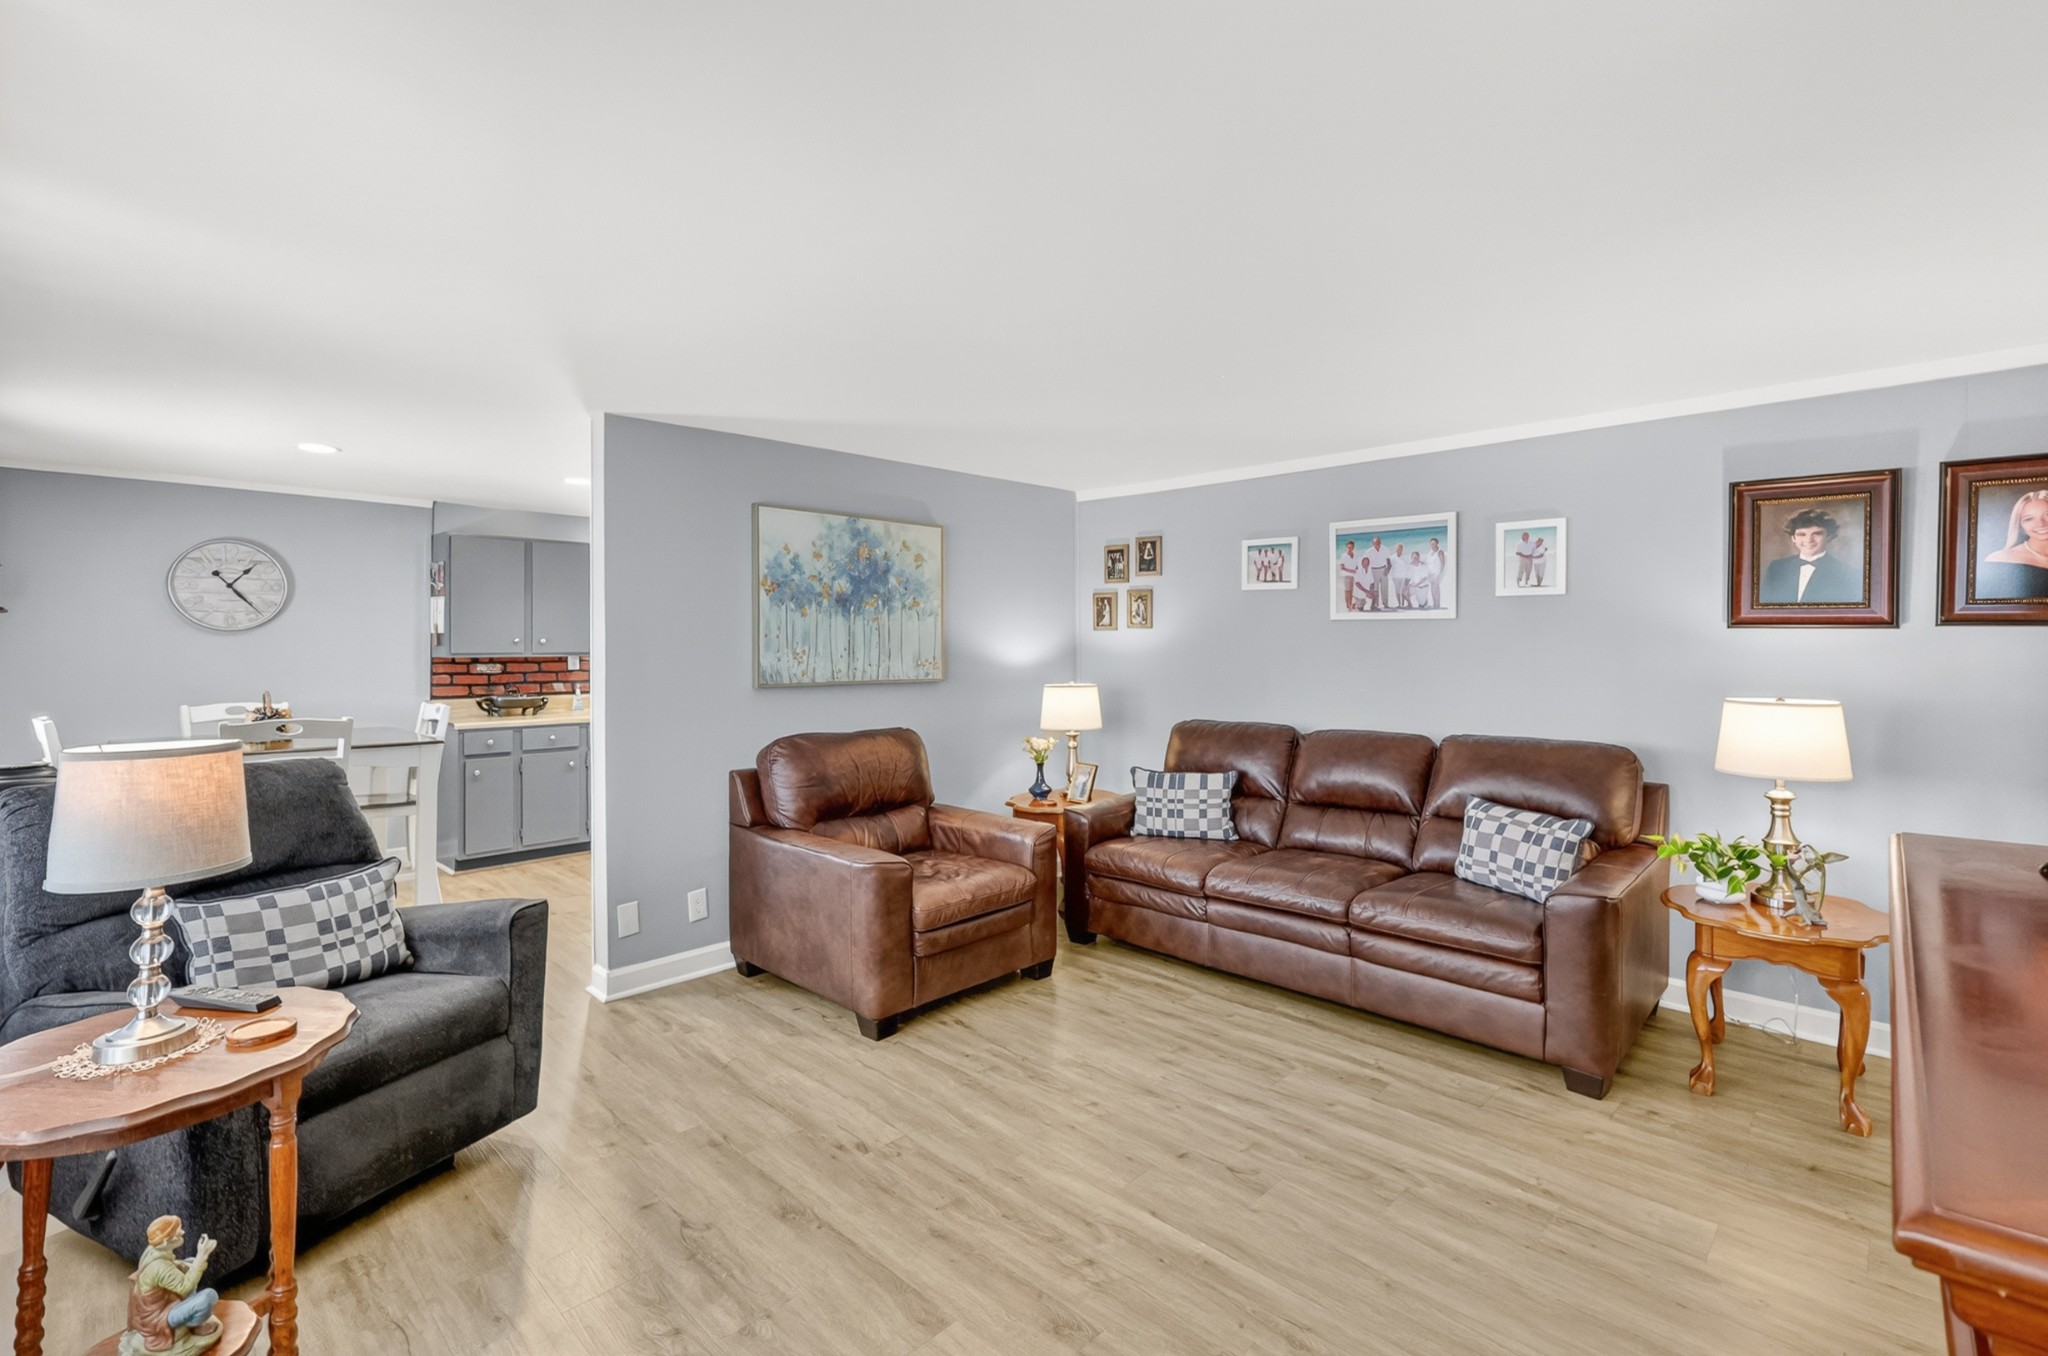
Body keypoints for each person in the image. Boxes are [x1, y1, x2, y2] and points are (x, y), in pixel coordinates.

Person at [120, 1216, 222, 1356]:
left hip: (167, 1302)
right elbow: (185, 1286)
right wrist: (202, 1256)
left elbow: (176, 1268)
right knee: (209, 1296)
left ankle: (188, 1319)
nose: (182, 1232)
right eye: (177, 1231)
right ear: (165, 1241)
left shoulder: (154, 1252)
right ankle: (192, 1326)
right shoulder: (159, 1266)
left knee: (190, 1263)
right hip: (161, 1317)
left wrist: (192, 1263)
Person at [1759, 508, 1861, 604]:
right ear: (1793, 538)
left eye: (1817, 534)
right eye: (1802, 534)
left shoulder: (1846, 573)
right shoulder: (1776, 567)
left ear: (1829, 537)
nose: (1809, 540)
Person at [1362, 536, 1392, 611]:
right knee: (1375, 589)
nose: (1378, 544)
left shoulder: (1385, 549)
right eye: (1376, 543)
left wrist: (1388, 569)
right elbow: (1364, 562)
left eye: (1379, 542)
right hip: (1374, 570)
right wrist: (1366, 572)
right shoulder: (1369, 551)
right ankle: (1376, 604)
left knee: (1385, 588)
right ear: (1373, 543)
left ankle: (1385, 604)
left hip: (1383, 569)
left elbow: (1389, 561)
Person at [1336, 540, 1363, 610]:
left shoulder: (1355, 555)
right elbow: (1342, 567)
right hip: (1347, 575)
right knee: (1348, 590)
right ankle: (1348, 606)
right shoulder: (1344, 556)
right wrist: (1351, 571)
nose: (1349, 549)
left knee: (1352, 591)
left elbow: (1356, 566)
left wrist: (1359, 571)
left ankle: (1350, 605)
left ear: (1353, 547)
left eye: (1351, 547)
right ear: (1346, 547)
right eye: (1348, 547)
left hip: (1354, 575)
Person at [1425, 537, 1446, 608]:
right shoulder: (1430, 552)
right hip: (1430, 573)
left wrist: (1439, 574)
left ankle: (1438, 604)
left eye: (1434, 543)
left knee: (1436, 589)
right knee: (1432, 589)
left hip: (1436, 573)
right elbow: (1427, 562)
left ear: (1437, 544)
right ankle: (1434, 603)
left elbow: (1443, 563)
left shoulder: (1440, 552)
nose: (1432, 545)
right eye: (1431, 544)